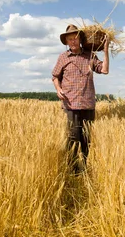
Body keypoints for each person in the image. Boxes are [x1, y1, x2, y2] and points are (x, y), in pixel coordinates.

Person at [51, 24, 109, 174]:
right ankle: (71, 168)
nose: (73, 42)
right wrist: (58, 89)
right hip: (71, 104)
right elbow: (55, 77)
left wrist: (106, 49)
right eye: (70, 39)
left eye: (76, 38)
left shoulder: (90, 55)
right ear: (66, 41)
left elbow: (104, 70)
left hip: (88, 103)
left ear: (80, 39)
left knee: (86, 139)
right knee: (73, 137)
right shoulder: (63, 57)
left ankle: (84, 167)